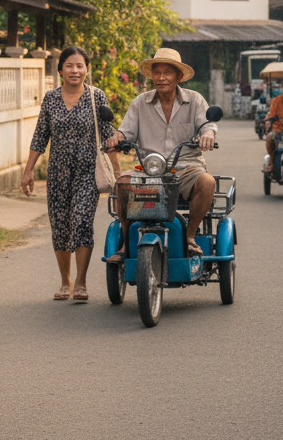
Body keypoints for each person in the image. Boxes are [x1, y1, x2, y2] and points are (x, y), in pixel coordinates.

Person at [21, 46, 120, 302]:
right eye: (69, 66)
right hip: (57, 173)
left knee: (83, 222)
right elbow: (40, 134)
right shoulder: (51, 98)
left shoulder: (96, 97)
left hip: (88, 172)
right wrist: (28, 170)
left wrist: (118, 173)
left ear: (87, 69)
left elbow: (109, 135)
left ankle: (81, 281)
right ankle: (65, 281)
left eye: (80, 66)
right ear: (60, 69)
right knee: (61, 227)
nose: (75, 71)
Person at [104, 48, 217, 258]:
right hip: (148, 170)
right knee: (122, 183)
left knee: (208, 182)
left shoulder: (195, 100)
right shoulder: (140, 102)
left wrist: (208, 134)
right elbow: (125, 132)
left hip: (186, 169)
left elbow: (207, 125)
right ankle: (126, 244)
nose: (161, 77)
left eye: (168, 72)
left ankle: (190, 237)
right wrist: (116, 139)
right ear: (152, 75)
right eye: (157, 72)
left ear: (178, 76)